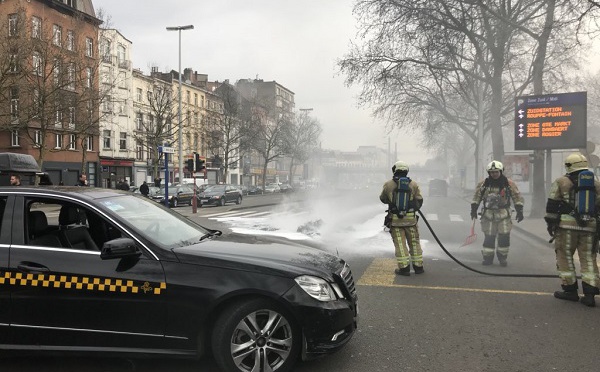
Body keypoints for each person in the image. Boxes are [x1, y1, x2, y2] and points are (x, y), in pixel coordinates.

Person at [545, 152, 600, 307]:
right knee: (588, 258)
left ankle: (570, 291)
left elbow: (552, 205)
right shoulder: (596, 184)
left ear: (569, 166)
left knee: (564, 255)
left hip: (566, 227)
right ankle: (590, 294)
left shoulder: (561, 181)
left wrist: (550, 224)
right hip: (590, 227)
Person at [471, 160, 524, 266]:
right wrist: (473, 209)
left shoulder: (509, 184)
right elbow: (477, 197)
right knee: (489, 237)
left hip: (504, 214)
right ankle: (488, 258)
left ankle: (502, 258)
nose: (494, 174)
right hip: (488, 214)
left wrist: (519, 211)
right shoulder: (483, 184)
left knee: (504, 237)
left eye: (496, 172)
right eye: (492, 172)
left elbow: (517, 197)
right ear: (489, 173)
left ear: (501, 171)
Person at [379, 160, 424, 276]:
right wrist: (412, 207)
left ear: (395, 170)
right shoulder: (413, 184)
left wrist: (392, 202)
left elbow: (382, 198)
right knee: (414, 242)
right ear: (406, 171)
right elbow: (419, 200)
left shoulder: (388, 184)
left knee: (400, 243)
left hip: (396, 221)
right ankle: (418, 267)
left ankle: (404, 268)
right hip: (411, 221)